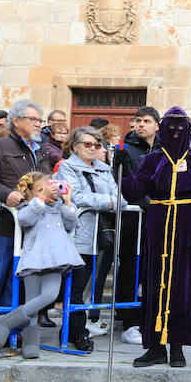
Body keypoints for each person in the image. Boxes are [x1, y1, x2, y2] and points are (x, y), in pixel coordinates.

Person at [114, 106, 191, 368]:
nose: (175, 133)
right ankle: (155, 347)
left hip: (186, 228)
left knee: (181, 287)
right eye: (170, 128)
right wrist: (121, 171)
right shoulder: (152, 160)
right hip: (158, 227)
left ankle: (177, 346)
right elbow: (135, 191)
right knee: (155, 284)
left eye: (181, 129)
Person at [0, 101, 52, 354]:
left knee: (16, 283)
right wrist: (7, 195)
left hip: (30, 229)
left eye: (40, 120)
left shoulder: (42, 151)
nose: (39, 124)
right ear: (16, 121)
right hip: (1, 226)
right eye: (34, 119)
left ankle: (5, 333)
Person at [0, 172, 85, 358]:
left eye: (48, 187)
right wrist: (40, 199)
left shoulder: (58, 207)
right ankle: (31, 343)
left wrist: (67, 202)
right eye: (40, 189)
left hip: (57, 260)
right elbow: (25, 219)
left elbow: (70, 224)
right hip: (34, 258)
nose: (48, 191)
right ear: (30, 193)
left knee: (49, 295)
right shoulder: (28, 206)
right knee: (33, 300)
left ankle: (5, 321)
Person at [56, 127, 127, 345]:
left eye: (97, 145)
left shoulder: (105, 169)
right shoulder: (67, 167)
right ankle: (76, 332)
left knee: (91, 286)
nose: (93, 149)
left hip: (103, 234)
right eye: (88, 144)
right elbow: (75, 195)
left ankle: (77, 327)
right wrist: (108, 202)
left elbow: (121, 199)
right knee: (77, 285)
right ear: (75, 146)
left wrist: (110, 201)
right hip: (78, 233)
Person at [115, 106, 159, 346]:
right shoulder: (125, 148)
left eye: (146, 121)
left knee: (152, 270)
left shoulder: (163, 150)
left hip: (158, 218)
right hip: (135, 219)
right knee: (130, 268)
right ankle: (129, 321)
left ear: (157, 125)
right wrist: (146, 203)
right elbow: (121, 179)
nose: (141, 125)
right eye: (138, 121)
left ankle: (148, 319)